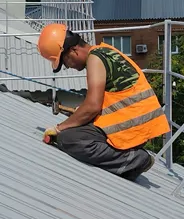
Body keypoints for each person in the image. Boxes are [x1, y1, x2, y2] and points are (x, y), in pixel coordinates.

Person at [36, 23, 171, 181]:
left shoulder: (95, 59)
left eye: (65, 62)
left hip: (130, 126)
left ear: (73, 50)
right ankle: (126, 159)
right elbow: (109, 99)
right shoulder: (105, 52)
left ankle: (134, 160)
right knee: (73, 131)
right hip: (133, 123)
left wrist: (59, 128)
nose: (68, 66)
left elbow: (93, 106)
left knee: (68, 138)